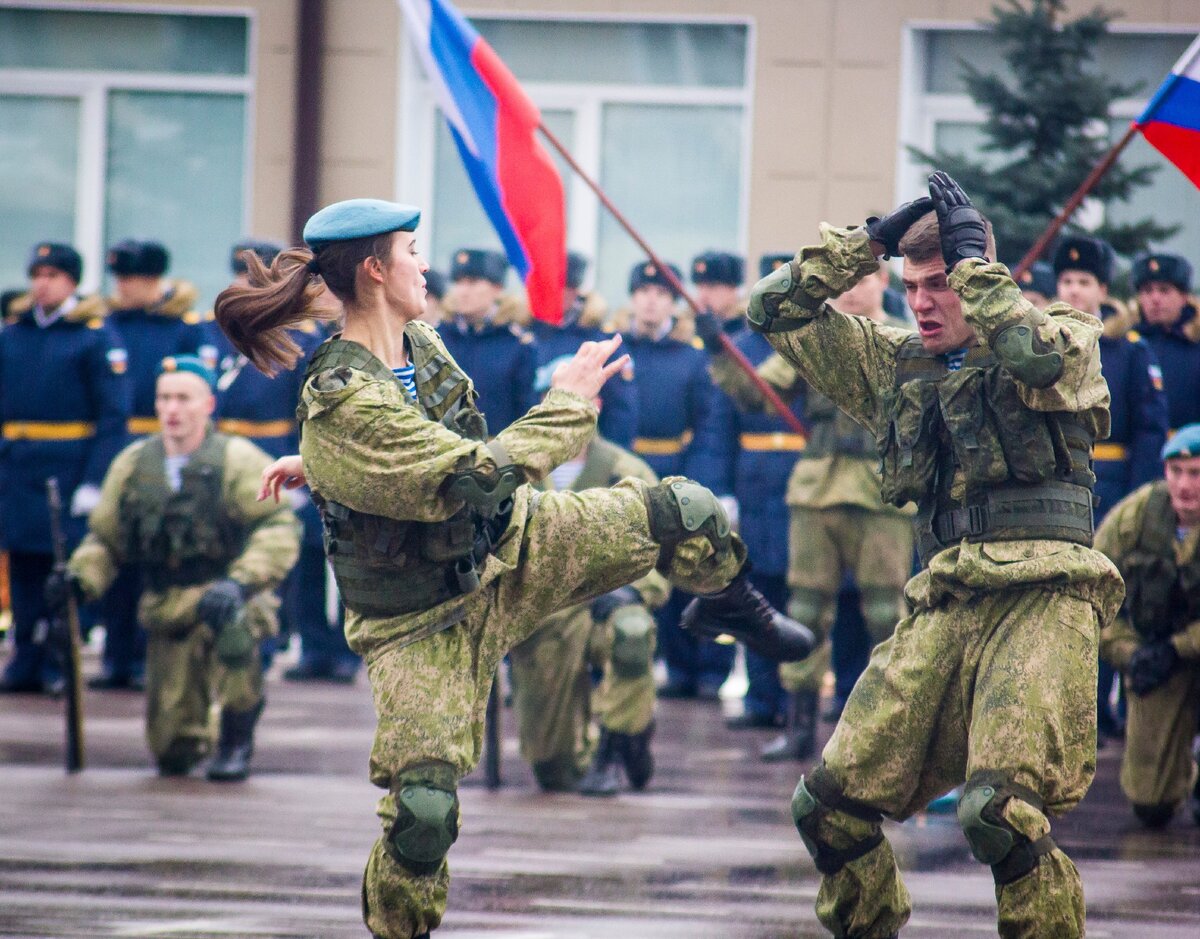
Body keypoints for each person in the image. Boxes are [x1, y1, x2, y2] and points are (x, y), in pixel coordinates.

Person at [214, 197, 814, 939]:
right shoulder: (341, 397)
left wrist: (322, 464)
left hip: (512, 546)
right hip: (419, 619)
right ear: (374, 270)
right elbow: (472, 475)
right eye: (410, 250)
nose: (424, 263)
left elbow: (423, 451)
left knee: (687, 509)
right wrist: (564, 406)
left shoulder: (421, 344)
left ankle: (727, 603)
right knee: (425, 811)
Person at [748, 173, 1124, 938]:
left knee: (999, 814)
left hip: (1045, 595)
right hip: (947, 595)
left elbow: (1033, 358)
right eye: (911, 285)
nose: (921, 302)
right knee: (827, 807)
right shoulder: (891, 361)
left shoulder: (1065, 333)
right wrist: (870, 243)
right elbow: (771, 309)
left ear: (980, 278)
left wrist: (975, 268)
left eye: (940, 285)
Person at [48, 355, 299, 779]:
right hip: (167, 601)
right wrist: (79, 581)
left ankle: (236, 738)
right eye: (164, 398)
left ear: (208, 405)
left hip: (224, 594)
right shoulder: (133, 465)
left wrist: (240, 583)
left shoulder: (237, 459)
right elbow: (106, 540)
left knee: (237, 633)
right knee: (172, 751)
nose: (172, 409)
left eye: (184, 398)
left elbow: (277, 527)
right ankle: (190, 735)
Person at [707, 263, 915, 759]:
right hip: (817, 486)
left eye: (862, 281)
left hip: (882, 490)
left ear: (882, 284)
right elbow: (760, 396)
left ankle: (894, 733)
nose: (850, 292)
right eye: (843, 283)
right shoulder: (814, 340)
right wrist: (721, 352)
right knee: (805, 612)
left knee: (888, 616)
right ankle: (799, 727)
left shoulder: (910, 341)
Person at [508, 375, 668, 795]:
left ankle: (616, 749)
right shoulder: (514, 468)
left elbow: (662, 545)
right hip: (541, 620)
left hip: (605, 607)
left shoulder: (623, 470)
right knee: (554, 772)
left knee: (633, 631)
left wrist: (634, 590)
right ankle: (630, 732)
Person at [210, 239, 357, 684]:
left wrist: (306, 467)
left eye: (252, 278)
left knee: (309, 557)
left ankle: (326, 647)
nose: (243, 285)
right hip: (234, 457)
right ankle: (268, 642)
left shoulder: (301, 341)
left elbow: (304, 410)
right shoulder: (220, 334)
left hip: (281, 454)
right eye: (239, 276)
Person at [0, 242, 130, 695]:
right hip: (17, 469)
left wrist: (95, 481)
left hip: (68, 469)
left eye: (53, 275)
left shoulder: (93, 336)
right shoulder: (13, 334)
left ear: (72, 282)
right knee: (23, 568)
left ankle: (59, 658)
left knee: (64, 569)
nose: (42, 283)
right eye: (36, 274)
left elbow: (113, 417)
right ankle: (25, 657)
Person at [1053, 234, 1169, 743]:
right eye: (1066, 281)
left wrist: (1137, 497)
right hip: (1053, 489)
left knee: (1097, 600)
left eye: (1084, 282)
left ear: (1103, 290)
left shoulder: (1126, 351)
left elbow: (1149, 427)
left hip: (1110, 487)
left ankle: (1096, 709)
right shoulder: (1041, 343)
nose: (1074, 291)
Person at [94, 239, 211, 691]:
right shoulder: (108, 324)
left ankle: (148, 656)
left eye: (132, 280)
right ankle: (116, 656)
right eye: (119, 280)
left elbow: (200, 391)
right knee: (121, 552)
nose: (123, 288)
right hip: (124, 447)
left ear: (153, 280)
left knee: (162, 555)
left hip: (170, 447)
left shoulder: (182, 328)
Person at [622, 259, 735, 700]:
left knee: (689, 570)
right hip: (629, 476)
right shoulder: (618, 351)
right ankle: (661, 660)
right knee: (639, 570)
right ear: (632, 298)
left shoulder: (693, 358)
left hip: (679, 472)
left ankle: (703, 669)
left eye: (661, 294)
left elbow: (709, 425)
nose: (651, 300)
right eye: (643, 292)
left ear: (672, 301)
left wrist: (706, 485)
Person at [1096, 424, 1200, 829]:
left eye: (1195, 473)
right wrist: (1131, 653)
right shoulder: (1136, 516)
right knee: (1150, 803)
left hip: (1183, 651)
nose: (1184, 485)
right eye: (1176, 472)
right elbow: (1089, 592)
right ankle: (1179, 775)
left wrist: (1179, 646)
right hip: (1162, 662)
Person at [529, 251, 638, 448]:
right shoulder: (525, 335)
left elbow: (620, 412)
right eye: (548, 285)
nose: (555, 292)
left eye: (564, 286)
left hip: (586, 452)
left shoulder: (598, 341)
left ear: (576, 290)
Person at [437, 248, 537, 434]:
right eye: (458, 282)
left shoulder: (517, 345)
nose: (463, 291)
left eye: (473, 283)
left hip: (494, 452)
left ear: (497, 288)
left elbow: (526, 412)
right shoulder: (436, 337)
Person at [1131, 252, 1200, 432]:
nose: (1155, 299)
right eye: (1147, 291)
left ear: (1184, 297)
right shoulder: (1130, 345)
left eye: (1164, 290)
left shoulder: (1195, 344)